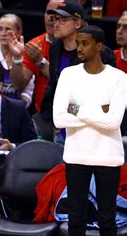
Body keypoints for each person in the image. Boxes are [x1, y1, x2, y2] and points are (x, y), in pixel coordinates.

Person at [53, 25, 126, 236]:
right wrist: (99, 109)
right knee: (76, 219)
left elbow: (113, 122)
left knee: (107, 221)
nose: (79, 48)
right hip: (76, 155)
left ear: (98, 46)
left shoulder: (119, 78)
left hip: (107, 157)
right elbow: (59, 118)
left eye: (84, 44)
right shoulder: (69, 75)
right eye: (78, 43)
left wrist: (78, 109)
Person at [40, 0, 117, 141]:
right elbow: (55, 86)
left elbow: (107, 100)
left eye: (62, 20)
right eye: (55, 19)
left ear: (77, 23)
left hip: (92, 131)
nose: (55, 24)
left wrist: (71, 110)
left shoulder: (100, 53)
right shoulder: (55, 48)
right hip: (61, 130)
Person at [8, 0, 61, 113]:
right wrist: (17, 59)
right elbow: (18, 84)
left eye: (57, 14)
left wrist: (40, 62)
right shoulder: (36, 45)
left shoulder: (81, 45)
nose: (50, 18)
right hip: (43, 116)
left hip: (73, 114)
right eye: (48, 13)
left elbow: (67, 85)